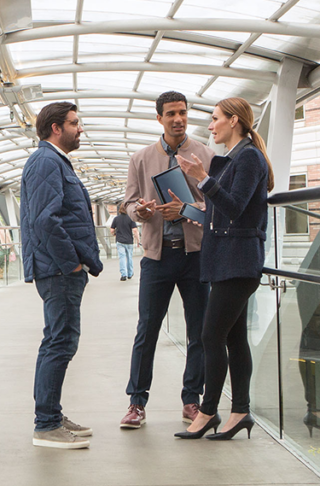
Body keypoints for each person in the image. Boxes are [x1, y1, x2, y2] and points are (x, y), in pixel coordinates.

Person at [174, 96, 273, 440]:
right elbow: (225, 212)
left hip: (238, 262)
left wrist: (202, 178)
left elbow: (235, 207)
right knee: (233, 337)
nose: (210, 125)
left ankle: (207, 412)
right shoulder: (235, 158)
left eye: (215, 118)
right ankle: (240, 411)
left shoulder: (249, 157)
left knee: (210, 336)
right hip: (229, 260)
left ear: (234, 121)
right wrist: (195, 210)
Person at [119, 91, 214, 429]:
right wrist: (140, 211)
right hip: (157, 256)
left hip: (195, 255)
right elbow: (128, 203)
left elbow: (215, 206)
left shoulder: (205, 155)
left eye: (183, 112)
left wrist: (186, 209)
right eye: (171, 113)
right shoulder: (141, 158)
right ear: (159, 118)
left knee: (198, 331)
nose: (178, 119)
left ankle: (192, 399)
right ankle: (136, 402)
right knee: (147, 330)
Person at [20, 101, 102, 449]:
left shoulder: (53, 161)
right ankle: (47, 424)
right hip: (58, 269)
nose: (80, 129)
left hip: (57, 267)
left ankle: (51, 414)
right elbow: (45, 220)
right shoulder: (46, 161)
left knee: (57, 339)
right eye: (74, 123)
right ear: (56, 128)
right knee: (60, 341)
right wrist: (71, 263)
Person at [110, 205, 139, 281]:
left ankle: (123, 275)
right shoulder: (131, 218)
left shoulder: (116, 219)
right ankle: (130, 273)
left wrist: (115, 234)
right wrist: (138, 240)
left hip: (120, 241)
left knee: (122, 257)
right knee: (129, 257)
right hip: (129, 241)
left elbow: (112, 230)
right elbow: (135, 230)